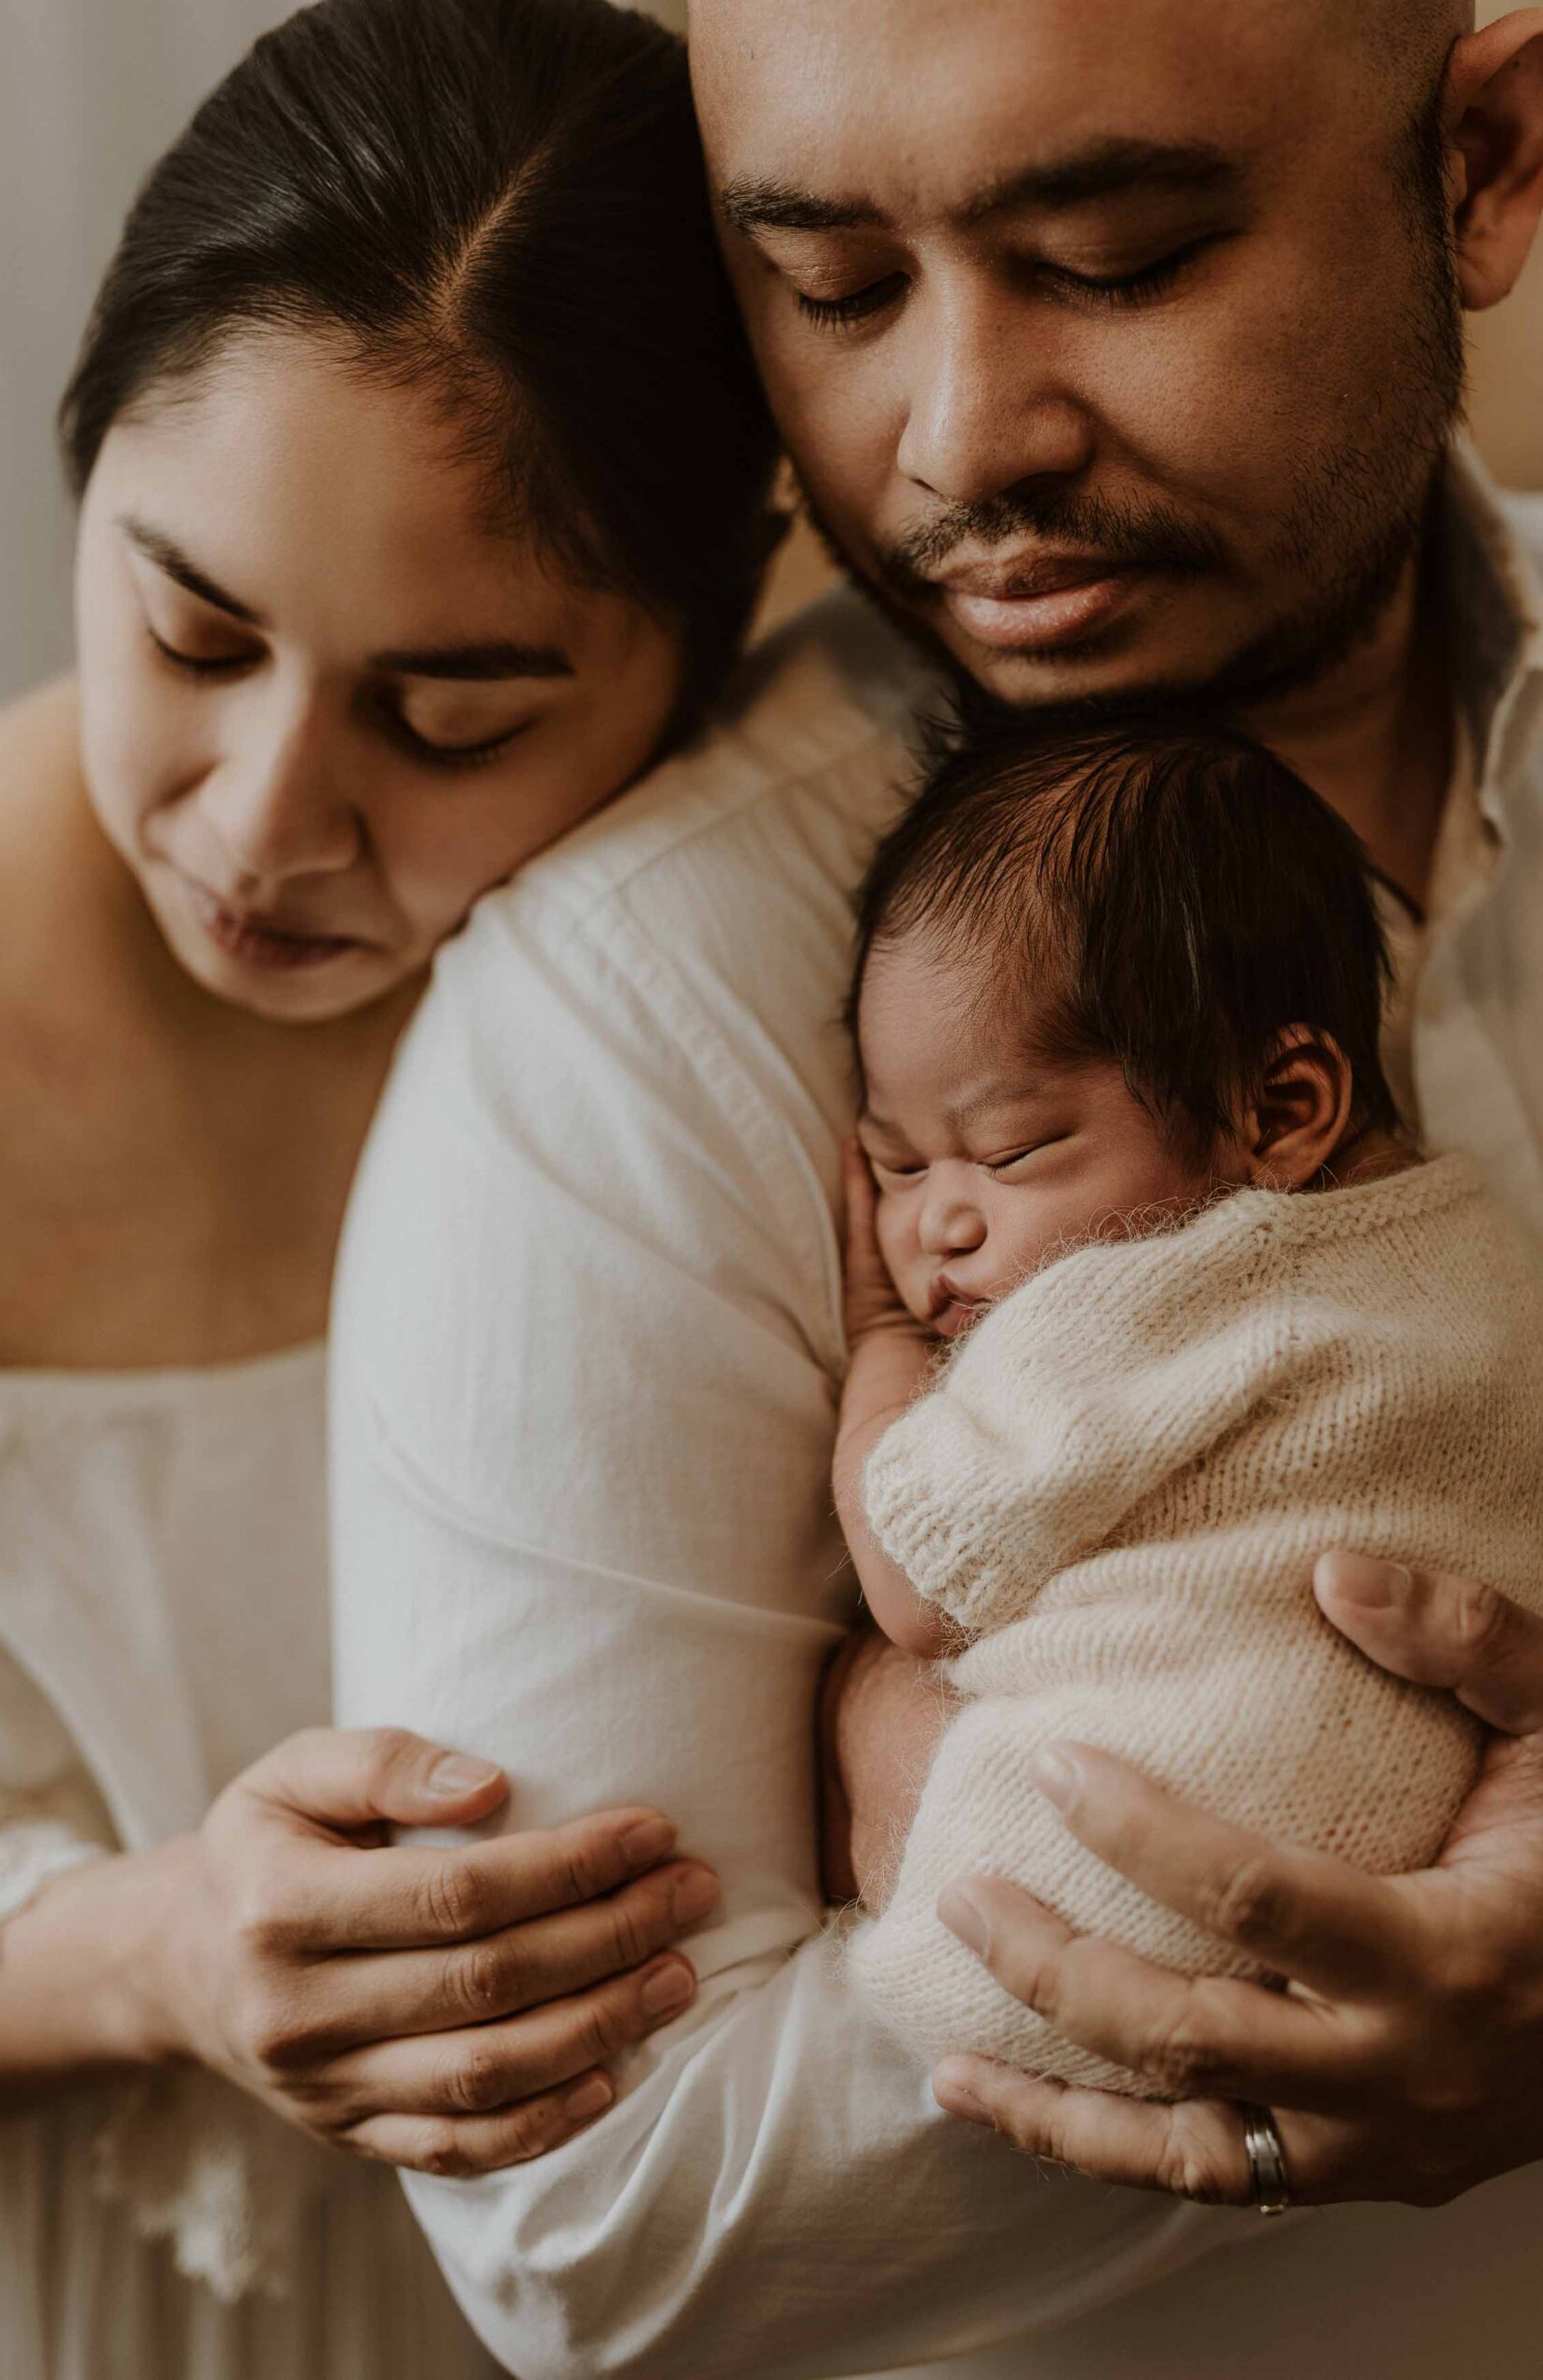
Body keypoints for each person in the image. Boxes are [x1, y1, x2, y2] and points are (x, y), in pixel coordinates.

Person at [331, 0, 1543, 2374]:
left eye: (1113, 254)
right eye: (836, 289)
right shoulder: (629, 1021)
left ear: (1487, 161)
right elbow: (597, 2216)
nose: (957, 440)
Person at [0, 0, 778, 2371]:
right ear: (83, 453)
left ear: (699, 669)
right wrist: (156, 1946)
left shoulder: (756, 981)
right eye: (189, 628)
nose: (260, 826)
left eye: (452, 719)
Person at [832, 713, 1543, 2084]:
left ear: (1278, 1110)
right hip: (1404, 1877)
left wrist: (876, 1351)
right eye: (895, 1168)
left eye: (1007, 1149)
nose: (937, 1228)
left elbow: (917, 1578)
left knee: (857, 1690)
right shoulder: (1490, 1255)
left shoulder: (1133, 1292)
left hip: (1083, 1901)